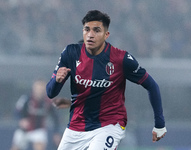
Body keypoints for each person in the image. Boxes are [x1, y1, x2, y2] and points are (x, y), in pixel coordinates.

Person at [46, 10, 167, 150]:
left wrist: (159, 123)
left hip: (109, 125)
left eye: (96, 30)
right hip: (76, 126)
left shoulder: (121, 59)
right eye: (87, 29)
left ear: (106, 34)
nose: (90, 35)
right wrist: (57, 81)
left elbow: (151, 85)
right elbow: (50, 92)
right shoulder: (70, 53)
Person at [10, 80, 62, 150]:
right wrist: (21, 120)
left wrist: (56, 132)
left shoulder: (48, 101)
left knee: (39, 146)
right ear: (33, 88)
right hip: (23, 130)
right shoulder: (26, 99)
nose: (39, 91)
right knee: (16, 148)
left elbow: (56, 118)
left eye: (41, 89)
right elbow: (16, 111)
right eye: (37, 89)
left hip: (39, 129)